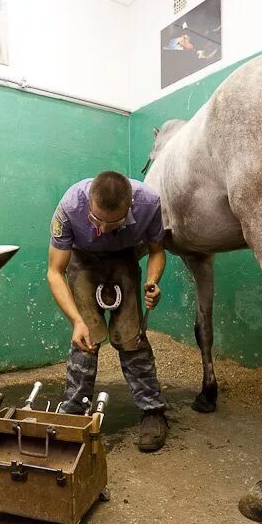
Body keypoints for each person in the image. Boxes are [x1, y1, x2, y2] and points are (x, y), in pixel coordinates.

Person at [46, 171, 169, 452]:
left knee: (131, 336)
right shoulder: (70, 206)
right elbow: (54, 271)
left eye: (112, 223)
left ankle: (153, 411)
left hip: (125, 257)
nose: (101, 229)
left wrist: (153, 281)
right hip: (82, 260)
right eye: (95, 220)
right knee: (86, 337)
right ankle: (74, 414)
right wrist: (76, 321)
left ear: (130, 207)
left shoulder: (149, 203)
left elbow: (157, 251)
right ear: (89, 202)